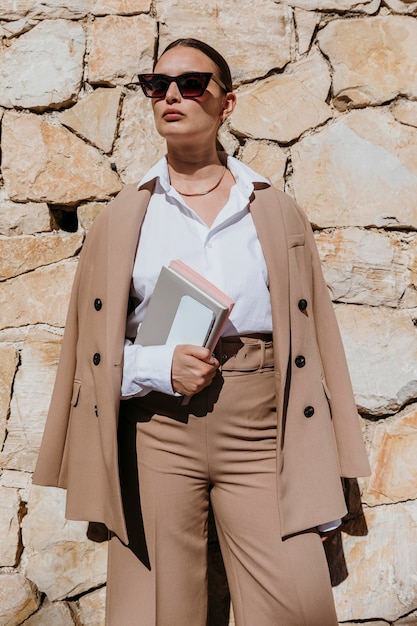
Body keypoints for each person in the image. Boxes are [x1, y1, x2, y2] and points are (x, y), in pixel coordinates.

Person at [33, 38, 371, 626]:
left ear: (226, 103)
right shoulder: (123, 216)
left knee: (295, 603)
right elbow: (91, 353)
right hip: (158, 427)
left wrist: (325, 465)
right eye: (156, 84)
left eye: (192, 84)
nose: (171, 95)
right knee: (159, 609)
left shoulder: (273, 208)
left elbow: (315, 342)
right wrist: (155, 368)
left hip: (261, 424)